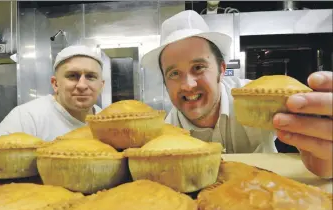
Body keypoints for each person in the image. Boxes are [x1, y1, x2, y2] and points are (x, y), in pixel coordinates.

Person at [141, 10, 332, 179]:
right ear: (165, 82)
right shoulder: (165, 134)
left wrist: (324, 159)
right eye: (174, 74)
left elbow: (317, 149)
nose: (188, 85)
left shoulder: (258, 99)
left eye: (198, 67)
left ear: (221, 70)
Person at [0, 45, 104, 141]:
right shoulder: (26, 118)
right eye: (72, 76)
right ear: (55, 84)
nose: (82, 85)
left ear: (101, 85)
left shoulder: (106, 121)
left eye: (90, 77)